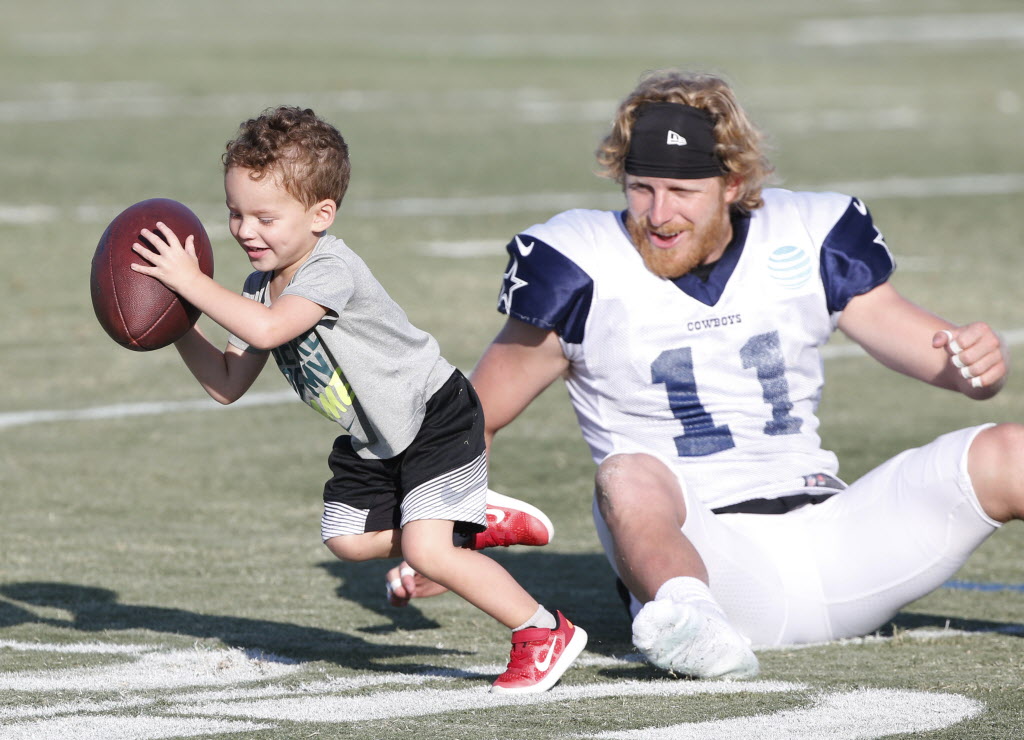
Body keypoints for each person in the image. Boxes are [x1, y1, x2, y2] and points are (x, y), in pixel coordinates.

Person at [385, 70, 1023, 680]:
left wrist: (976, 366)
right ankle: (695, 627)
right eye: (641, 187)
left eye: (682, 192)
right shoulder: (583, 263)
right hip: (710, 564)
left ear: (733, 183)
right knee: (627, 471)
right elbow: (474, 417)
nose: (658, 214)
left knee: (1010, 452)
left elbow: (944, 360)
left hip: (842, 540)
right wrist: (447, 533)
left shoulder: (804, 234)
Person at [128, 105, 587, 694]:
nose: (245, 231)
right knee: (345, 538)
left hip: (431, 416)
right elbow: (225, 383)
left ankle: (543, 631)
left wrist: (189, 282)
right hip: (377, 435)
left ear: (321, 214)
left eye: (265, 217)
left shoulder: (330, 267)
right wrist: (175, 322)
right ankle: (468, 522)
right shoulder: (255, 289)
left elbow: (270, 331)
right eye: (235, 213)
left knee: (426, 550)